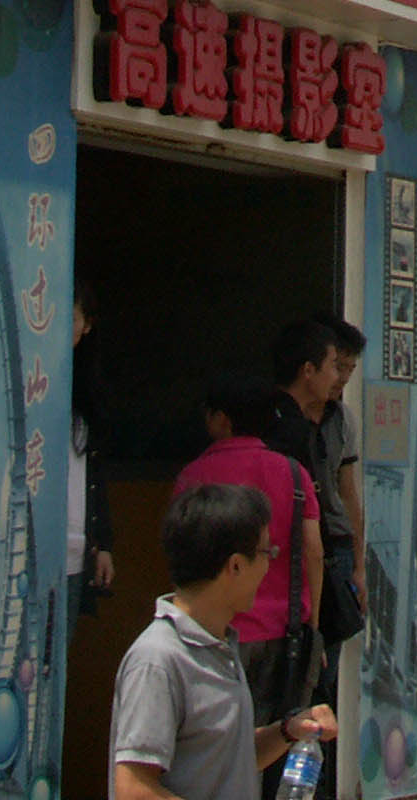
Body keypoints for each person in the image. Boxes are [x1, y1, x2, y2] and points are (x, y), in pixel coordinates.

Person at [113, 482, 339, 800]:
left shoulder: (221, 647)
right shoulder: (158, 659)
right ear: (235, 565)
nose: (268, 566)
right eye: (266, 553)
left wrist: (288, 730)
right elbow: (133, 789)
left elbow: (230, 761)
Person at [176, 380, 324, 750]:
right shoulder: (293, 473)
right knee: (283, 741)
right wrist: (313, 624)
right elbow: (314, 550)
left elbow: (183, 553)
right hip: (285, 633)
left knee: (220, 747)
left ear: (220, 420)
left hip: (215, 635)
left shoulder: (195, 476)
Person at [274, 316, 366, 707]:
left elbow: (348, 494)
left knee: (326, 667)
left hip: (335, 550)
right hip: (293, 549)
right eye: (337, 366)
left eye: (349, 369)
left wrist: (359, 567)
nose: (341, 377)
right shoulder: (280, 418)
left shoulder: (343, 420)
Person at [70, 283, 117, 608]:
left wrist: (103, 543)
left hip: (76, 548)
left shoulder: (88, 388)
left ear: (87, 324)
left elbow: (94, 472)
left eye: (70, 318)